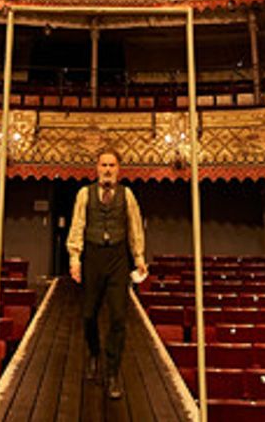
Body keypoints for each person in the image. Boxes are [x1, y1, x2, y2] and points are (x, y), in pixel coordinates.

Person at [66, 149, 147, 399]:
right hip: (93, 257)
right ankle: (94, 353)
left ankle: (112, 371)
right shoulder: (84, 194)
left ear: (118, 169)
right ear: (97, 167)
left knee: (119, 317)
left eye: (112, 165)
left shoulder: (127, 195)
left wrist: (139, 257)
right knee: (89, 314)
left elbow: (135, 227)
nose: (108, 169)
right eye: (104, 165)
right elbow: (77, 225)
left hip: (118, 259)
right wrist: (75, 258)